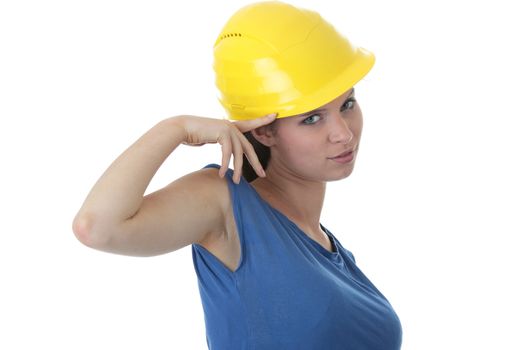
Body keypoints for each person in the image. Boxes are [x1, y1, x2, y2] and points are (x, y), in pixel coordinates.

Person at [72, 1, 403, 349]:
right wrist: (176, 128)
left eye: (347, 105)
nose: (344, 133)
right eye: (311, 118)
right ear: (263, 131)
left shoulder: (336, 254)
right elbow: (96, 228)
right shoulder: (227, 206)